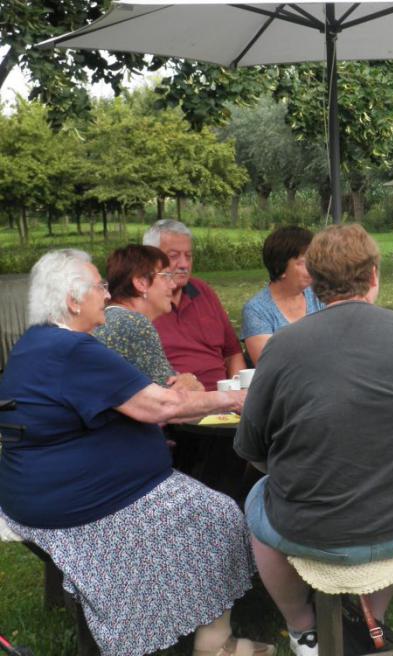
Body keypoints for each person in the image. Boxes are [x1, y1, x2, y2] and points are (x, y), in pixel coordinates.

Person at [0, 249, 273, 656]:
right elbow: (161, 405)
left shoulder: (37, 343)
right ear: (74, 300)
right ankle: (214, 643)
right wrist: (236, 401)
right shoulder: (74, 350)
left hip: (38, 496)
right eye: (99, 287)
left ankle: (189, 624)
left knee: (198, 513)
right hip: (77, 505)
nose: (107, 295)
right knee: (219, 517)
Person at [235, 224, 393, 656]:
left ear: (315, 282)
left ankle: (302, 628)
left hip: (314, 524)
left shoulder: (280, 348)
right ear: (375, 275)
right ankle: (371, 615)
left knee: (259, 498)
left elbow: (253, 449)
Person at [144, 219, 245, 391]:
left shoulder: (203, 292)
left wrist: (239, 392)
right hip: (177, 403)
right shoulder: (141, 305)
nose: (184, 264)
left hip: (225, 403)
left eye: (188, 256)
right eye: (174, 256)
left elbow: (233, 353)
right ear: (150, 258)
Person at [94, 244, 203, 390]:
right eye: (166, 276)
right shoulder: (133, 323)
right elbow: (173, 398)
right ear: (141, 283)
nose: (173, 284)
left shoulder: (110, 317)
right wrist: (194, 383)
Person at [241, 226, 324, 365]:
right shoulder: (257, 310)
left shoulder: (320, 296)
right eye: (304, 263)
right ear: (280, 268)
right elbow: (269, 366)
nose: (313, 268)